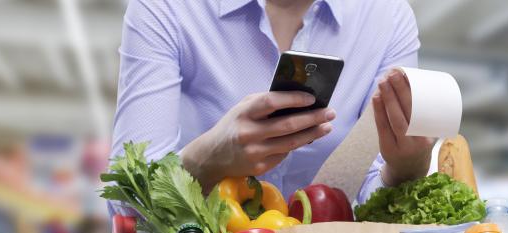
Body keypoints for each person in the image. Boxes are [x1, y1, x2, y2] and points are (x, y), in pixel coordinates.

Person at [111, 0, 432, 202]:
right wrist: (207, 159)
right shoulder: (166, 9)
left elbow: (368, 194)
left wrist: (403, 169)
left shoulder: (387, 17)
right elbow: (126, 197)